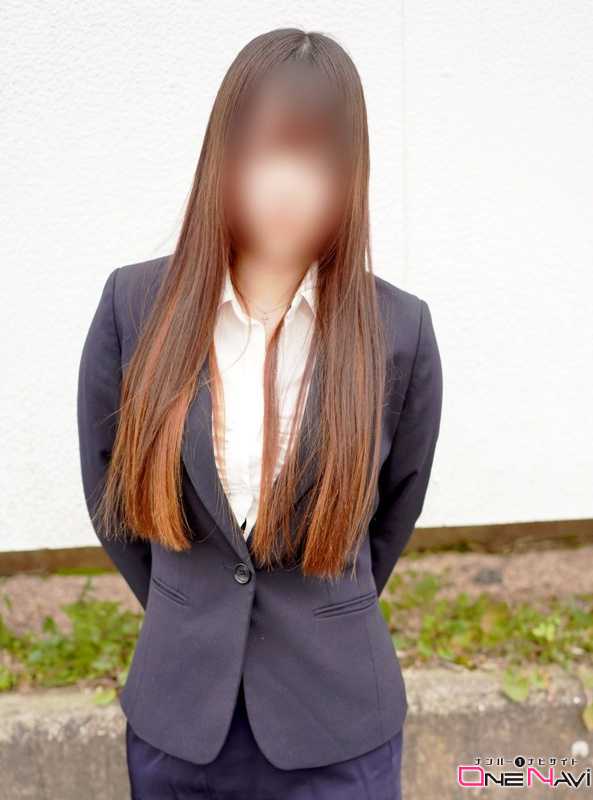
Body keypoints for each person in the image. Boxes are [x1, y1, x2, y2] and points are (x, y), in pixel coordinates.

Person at [77, 27, 443, 800]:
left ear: (349, 173)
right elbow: (111, 495)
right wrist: (193, 604)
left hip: (338, 726)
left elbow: (392, 514)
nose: (286, 183)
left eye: (314, 159)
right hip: (181, 719)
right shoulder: (134, 304)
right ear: (226, 153)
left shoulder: (399, 330)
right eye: (267, 150)